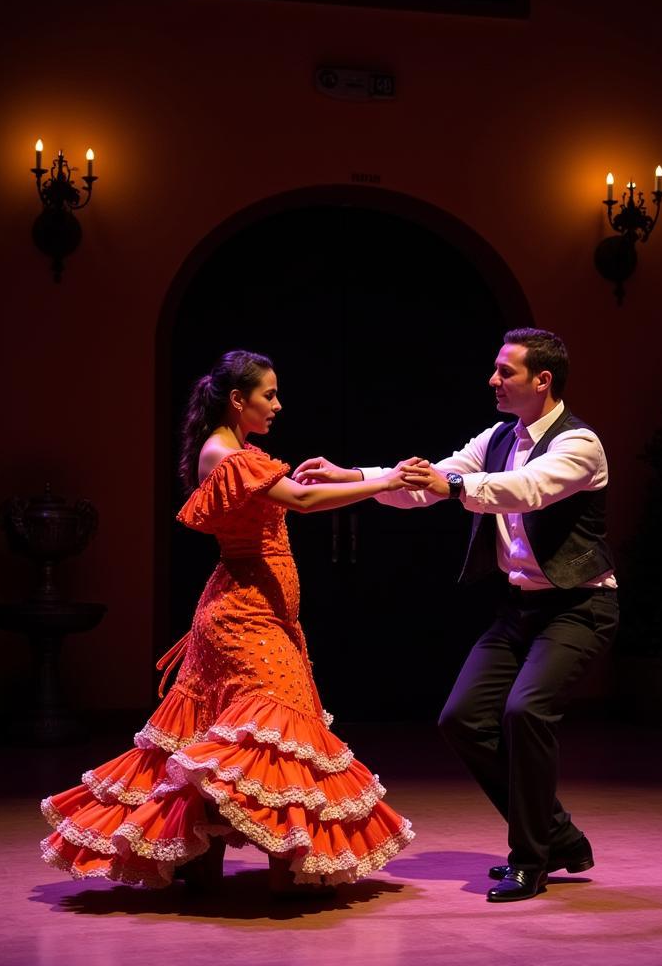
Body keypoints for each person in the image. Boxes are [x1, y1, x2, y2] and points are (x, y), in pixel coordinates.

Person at [40, 350, 416, 894]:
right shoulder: (230, 457)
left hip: (256, 610)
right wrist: (382, 483)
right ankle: (287, 860)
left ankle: (201, 857)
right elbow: (304, 501)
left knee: (230, 734)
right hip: (243, 616)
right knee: (271, 735)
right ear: (238, 400)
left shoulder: (237, 452)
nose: (278, 405)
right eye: (269, 394)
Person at [294, 328, 618, 903]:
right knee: (462, 718)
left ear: (542, 380)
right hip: (520, 608)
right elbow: (427, 484)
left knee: (525, 712)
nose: (493, 380)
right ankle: (557, 834)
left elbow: (525, 490)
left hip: (578, 606)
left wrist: (453, 485)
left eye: (505, 372)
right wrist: (356, 478)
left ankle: (531, 858)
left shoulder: (580, 444)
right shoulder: (496, 437)